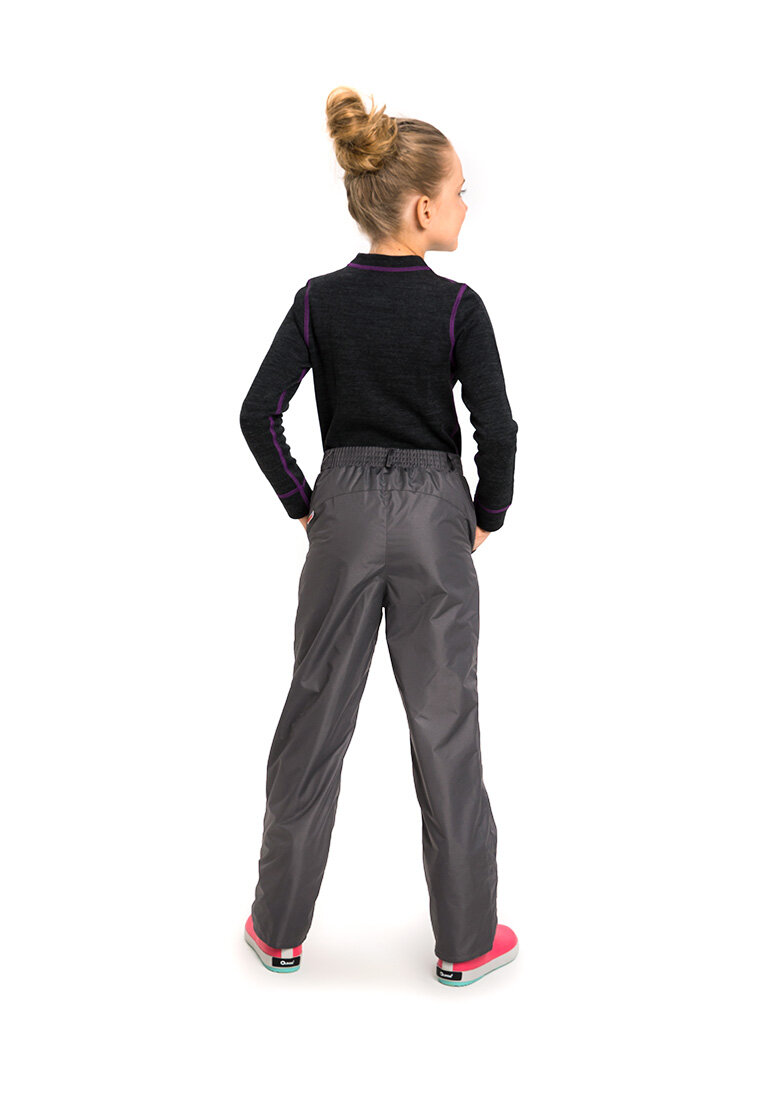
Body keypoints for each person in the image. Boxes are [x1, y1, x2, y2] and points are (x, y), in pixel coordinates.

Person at [239, 86, 520, 987]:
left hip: (345, 512)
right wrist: (487, 513)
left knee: (314, 717)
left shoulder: (319, 302)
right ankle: (466, 942)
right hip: (437, 515)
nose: (468, 203)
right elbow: (497, 429)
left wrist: (305, 503)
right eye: (461, 190)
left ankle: (278, 929)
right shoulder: (459, 308)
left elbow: (257, 413)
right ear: (423, 209)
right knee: (446, 726)